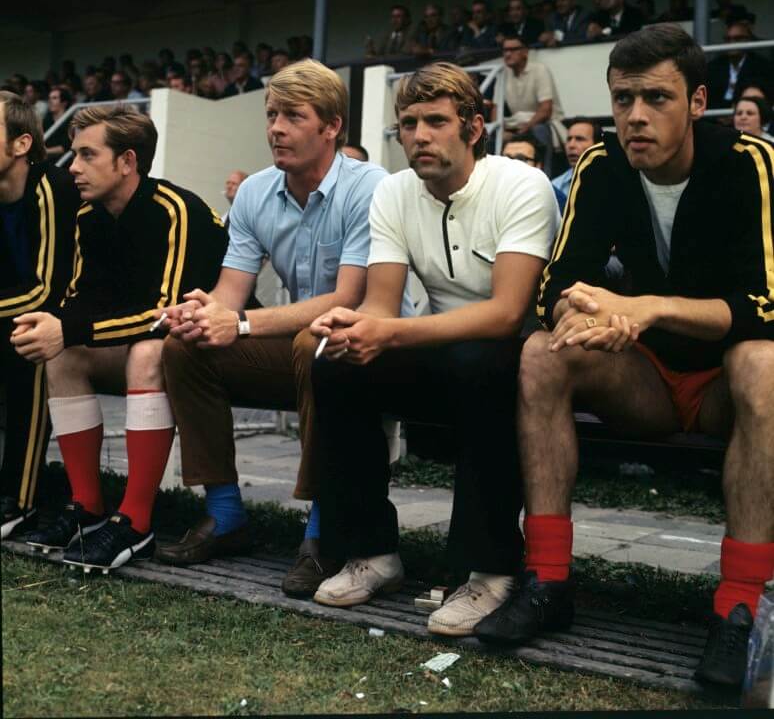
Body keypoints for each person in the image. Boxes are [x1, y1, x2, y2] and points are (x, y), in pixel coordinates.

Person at [473, 24, 774, 690]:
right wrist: (587, 316)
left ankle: (741, 609)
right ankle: (548, 580)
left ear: (698, 102)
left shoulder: (748, 160)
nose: (636, 117)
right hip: (646, 378)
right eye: (623, 99)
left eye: (657, 99)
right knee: (543, 352)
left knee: (764, 361)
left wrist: (649, 307)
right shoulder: (601, 166)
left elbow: (765, 303)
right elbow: (556, 287)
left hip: (729, 380)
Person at [308, 62, 559, 637]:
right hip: (439, 348)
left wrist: (388, 331)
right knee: (336, 365)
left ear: (474, 127)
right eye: (409, 123)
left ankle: (490, 570)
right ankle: (371, 552)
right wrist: (352, 326)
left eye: (437, 122)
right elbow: (381, 304)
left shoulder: (521, 184)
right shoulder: (394, 190)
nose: (419, 136)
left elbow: (506, 314)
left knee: (485, 365)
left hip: (509, 354)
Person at [154, 60, 405, 601]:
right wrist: (201, 312)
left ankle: (322, 532)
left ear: (332, 126)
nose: (276, 128)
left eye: (293, 116)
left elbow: (348, 299)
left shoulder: (371, 187)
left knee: (315, 342)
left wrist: (239, 321)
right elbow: (231, 289)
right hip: (302, 344)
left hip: (368, 347)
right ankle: (224, 515)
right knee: (184, 346)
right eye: (272, 114)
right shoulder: (255, 191)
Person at [11, 105, 227, 571]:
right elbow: (82, 300)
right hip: (142, 338)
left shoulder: (176, 209)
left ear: (127, 161)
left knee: (148, 352)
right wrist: (53, 327)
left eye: (88, 155)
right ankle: (86, 507)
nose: (73, 168)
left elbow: (167, 316)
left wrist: (67, 327)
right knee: (63, 356)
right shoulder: (89, 216)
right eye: (74, 155)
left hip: (210, 344)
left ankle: (136, 521)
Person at [0, 91, 81, 539]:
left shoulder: (50, 187)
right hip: (16, 309)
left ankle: (19, 497)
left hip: (68, 311)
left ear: (21, 144)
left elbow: (46, 291)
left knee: (26, 341)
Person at [501, 33, 566, 177]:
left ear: (525, 51)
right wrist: (501, 128)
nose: (507, 54)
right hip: (517, 126)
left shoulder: (539, 69)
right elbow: (495, 108)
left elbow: (545, 110)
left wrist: (525, 128)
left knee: (539, 130)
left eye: (513, 49)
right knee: (491, 135)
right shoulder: (503, 74)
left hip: (544, 124)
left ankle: (546, 178)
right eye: (505, 50)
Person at [707, 22, 773, 110]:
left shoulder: (761, 66)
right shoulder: (714, 67)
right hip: (715, 118)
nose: (732, 43)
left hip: (745, 114)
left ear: (748, 40)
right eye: (728, 39)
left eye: (737, 39)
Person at [550, 117, 603, 210]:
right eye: (569, 139)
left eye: (579, 139)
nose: (571, 145)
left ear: (597, 145)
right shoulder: (554, 186)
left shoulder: (612, 183)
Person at [42, 87, 74, 162]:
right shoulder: (46, 120)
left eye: (54, 98)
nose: (50, 101)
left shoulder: (71, 122)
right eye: (49, 98)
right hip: (47, 159)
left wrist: (44, 151)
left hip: (65, 161)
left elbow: (66, 147)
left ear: (64, 102)